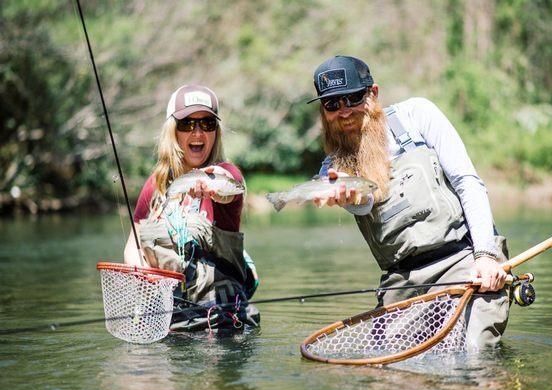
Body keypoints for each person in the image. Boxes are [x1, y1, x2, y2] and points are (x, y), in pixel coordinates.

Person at [307, 55, 510, 349]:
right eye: (333, 104)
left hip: (466, 260)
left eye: (353, 98)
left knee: (474, 357)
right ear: (324, 110)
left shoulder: (417, 115)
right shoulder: (332, 170)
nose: (345, 112)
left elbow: (468, 182)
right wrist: (350, 198)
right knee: (397, 375)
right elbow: (363, 205)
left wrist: (486, 256)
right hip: (402, 281)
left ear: (373, 93)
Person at [124, 84, 259, 331]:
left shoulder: (226, 175)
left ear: (216, 132)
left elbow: (226, 189)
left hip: (221, 323)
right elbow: (133, 242)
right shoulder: (157, 183)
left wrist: (212, 185)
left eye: (207, 123)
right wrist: (143, 273)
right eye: (187, 123)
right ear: (172, 131)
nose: (197, 132)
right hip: (169, 319)